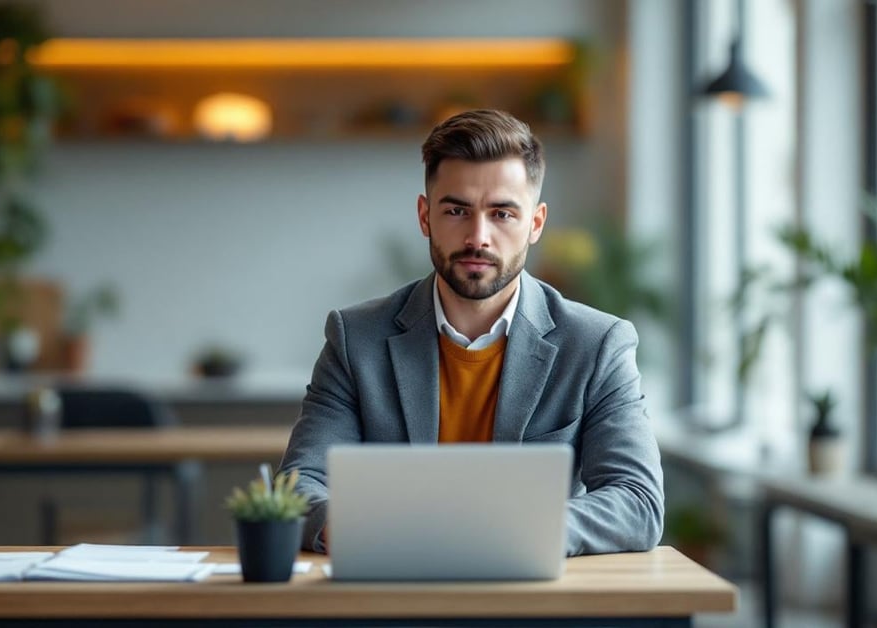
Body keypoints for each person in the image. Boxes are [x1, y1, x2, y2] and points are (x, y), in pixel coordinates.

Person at [279, 109, 663, 556]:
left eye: (502, 213)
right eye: (457, 210)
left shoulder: (597, 345)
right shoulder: (355, 338)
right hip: (394, 596)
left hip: (529, 598)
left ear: (535, 224)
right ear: (425, 217)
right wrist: (368, 528)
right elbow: (298, 486)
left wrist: (508, 531)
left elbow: (638, 502)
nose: (478, 236)